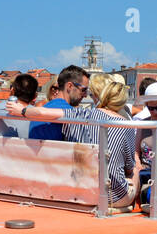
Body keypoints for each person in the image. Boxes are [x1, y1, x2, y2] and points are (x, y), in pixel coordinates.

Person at [8, 71, 136, 203]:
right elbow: (129, 167)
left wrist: (22, 110)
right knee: (135, 166)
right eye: (84, 90)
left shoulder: (81, 114)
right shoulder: (127, 125)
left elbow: (41, 112)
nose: (86, 95)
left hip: (78, 190)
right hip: (110, 196)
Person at [27, 64, 87, 141]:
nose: (85, 95)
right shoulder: (74, 116)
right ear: (69, 86)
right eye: (83, 90)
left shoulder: (38, 113)